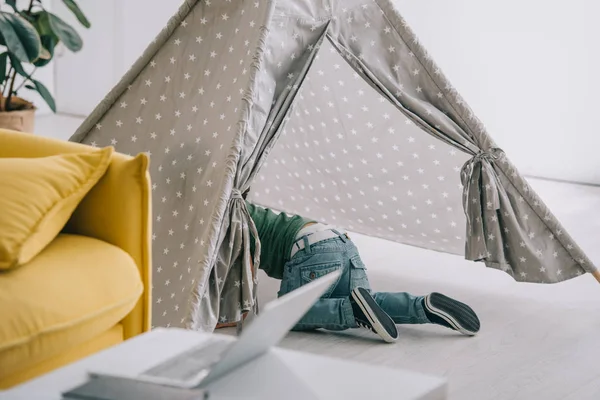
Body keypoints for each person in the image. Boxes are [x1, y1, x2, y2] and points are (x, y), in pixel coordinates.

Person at [246, 200, 481, 343]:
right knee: (371, 304)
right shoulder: (242, 208)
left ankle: (353, 311)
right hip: (341, 243)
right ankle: (423, 306)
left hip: (310, 250)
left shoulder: (226, 216)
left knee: (284, 313)